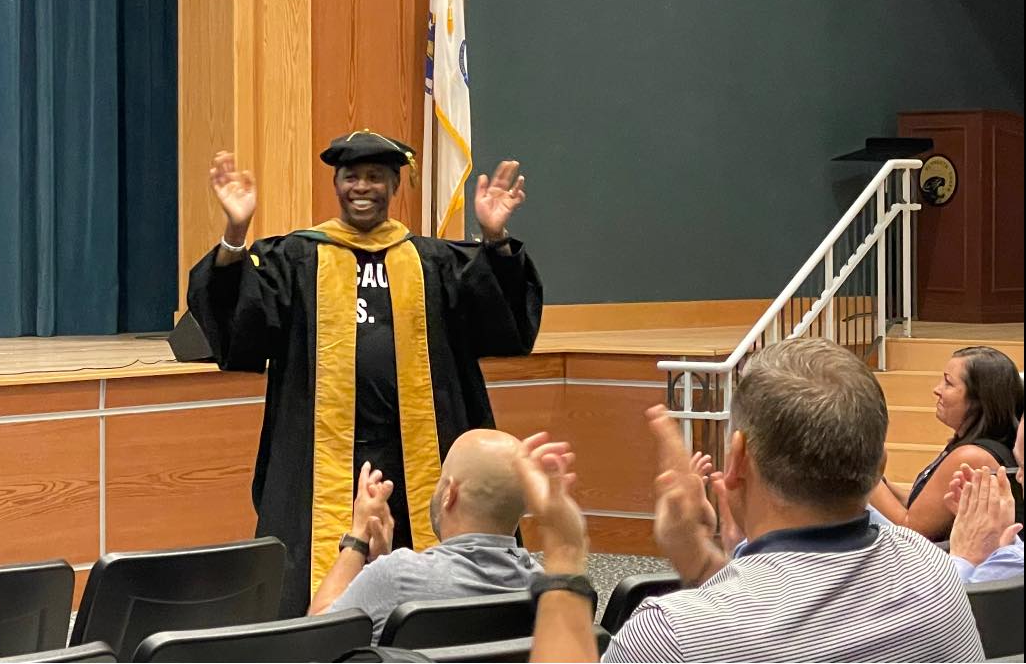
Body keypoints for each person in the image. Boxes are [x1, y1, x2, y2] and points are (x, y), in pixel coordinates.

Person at [186, 130, 542, 615]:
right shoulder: (298, 258)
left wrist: (495, 239)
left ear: (395, 186)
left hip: (420, 453)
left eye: (375, 177)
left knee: (426, 585)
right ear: (336, 184)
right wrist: (234, 235)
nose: (362, 186)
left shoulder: (432, 262)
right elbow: (237, 319)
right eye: (351, 176)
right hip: (321, 454)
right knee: (312, 575)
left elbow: (503, 323)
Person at [517, 338, 985, 663]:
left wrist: (563, 553)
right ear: (879, 465)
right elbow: (798, 615)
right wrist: (698, 559)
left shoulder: (673, 635)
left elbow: (759, 623)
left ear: (737, 458)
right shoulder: (935, 574)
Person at [307, 429, 541, 642]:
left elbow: (316, 638)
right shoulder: (545, 587)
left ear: (450, 494)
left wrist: (357, 540)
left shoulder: (396, 577)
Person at [870, 346, 1023, 541]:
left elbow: (911, 529)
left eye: (948, 383)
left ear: (978, 400)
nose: (937, 390)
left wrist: (860, 475)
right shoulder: (973, 444)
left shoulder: (972, 457)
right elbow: (919, 504)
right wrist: (879, 479)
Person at [946, 417, 1024, 582]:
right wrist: (999, 535)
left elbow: (943, 603)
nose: (1018, 476)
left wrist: (964, 556)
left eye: (1023, 466)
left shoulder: (1014, 563)